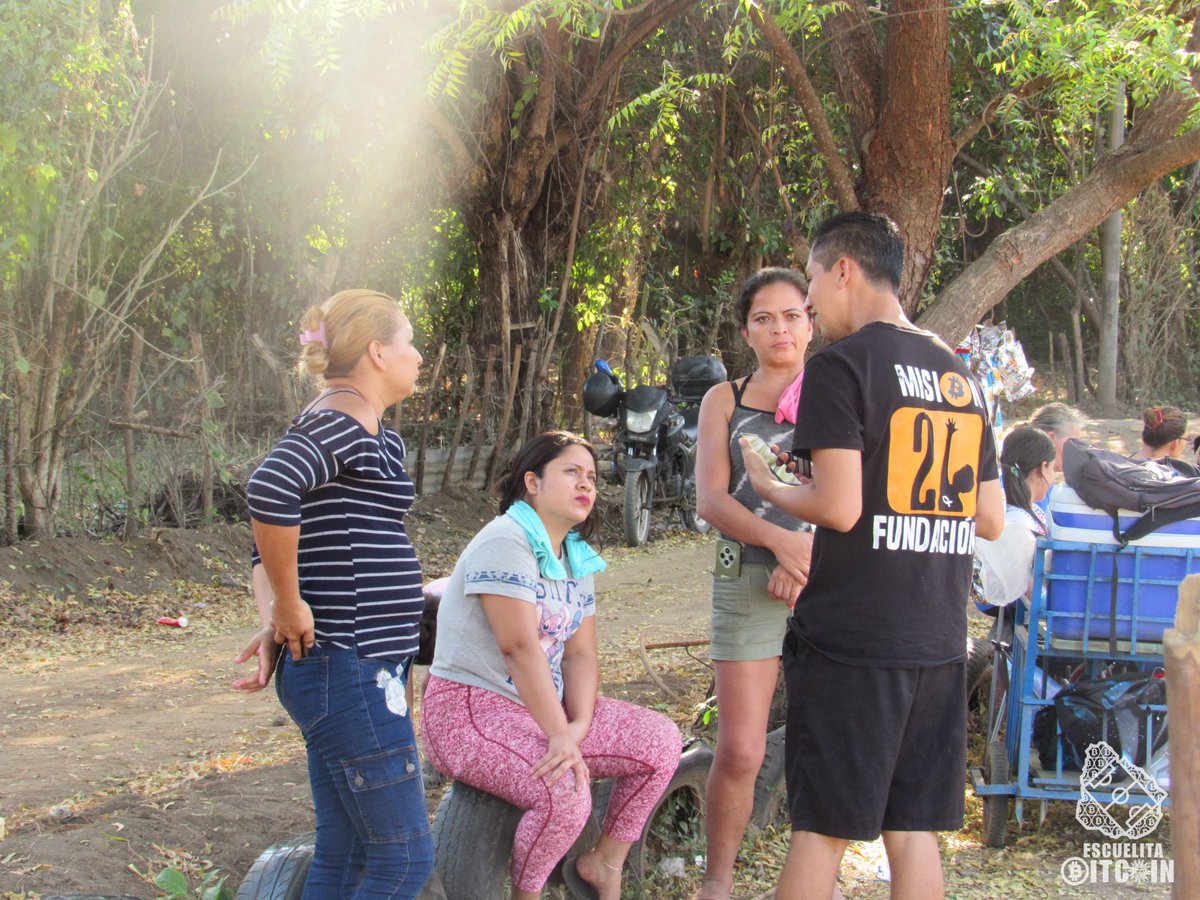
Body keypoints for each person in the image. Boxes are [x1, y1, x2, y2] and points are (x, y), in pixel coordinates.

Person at [739, 212, 1005, 900]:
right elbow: (993, 516)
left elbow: (841, 507)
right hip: (940, 638)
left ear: (844, 270)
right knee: (913, 828)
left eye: (813, 280)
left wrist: (771, 483)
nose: (811, 302)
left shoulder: (841, 364)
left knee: (822, 826)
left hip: (856, 638)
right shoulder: (958, 372)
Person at [420, 431, 683, 900]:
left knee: (661, 743)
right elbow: (519, 647)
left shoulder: (574, 555)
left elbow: (581, 653)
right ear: (532, 483)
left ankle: (605, 864)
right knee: (565, 796)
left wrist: (578, 722)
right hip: (471, 712)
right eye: (570, 472)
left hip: (542, 712)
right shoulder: (505, 539)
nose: (586, 483)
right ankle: (527, 892)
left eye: (591, 476)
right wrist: (560, 735)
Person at [245, 289, 435, 898]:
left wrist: (282, 610)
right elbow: (268, 492)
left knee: (348, 851)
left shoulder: (377, 434)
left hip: (360, 665)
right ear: (378, 352)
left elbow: (268, 545)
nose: (419, 355)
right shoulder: (338, 421)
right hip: (347, 667)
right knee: (405, 859)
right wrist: (286, 607)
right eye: (409, 342)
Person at [692, 268, 816, 900]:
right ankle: (718, 881)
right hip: (746, 574)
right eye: (764, 318)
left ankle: (813, 877)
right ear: (745, 331)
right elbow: (712, 499)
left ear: (812, 321)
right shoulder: (725, 400)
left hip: (826, 581)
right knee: (740, 749)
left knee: (824, 741)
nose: (780, 329)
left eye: (792, 315)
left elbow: (862, 494)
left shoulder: (839, 390)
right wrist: (780, 542)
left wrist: (808, 557)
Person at [974, 426, 1057, 614]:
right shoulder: (1018, 526)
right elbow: (1031, 593)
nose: (1053, 477)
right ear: (1043, 467)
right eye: (1052, 469)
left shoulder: (1023, 515)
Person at [1136, 405, 1200, 477]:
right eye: (1186, 439)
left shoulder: (1122, 470)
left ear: (1143, 437)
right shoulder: (1185, 484)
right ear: (1174, 444)